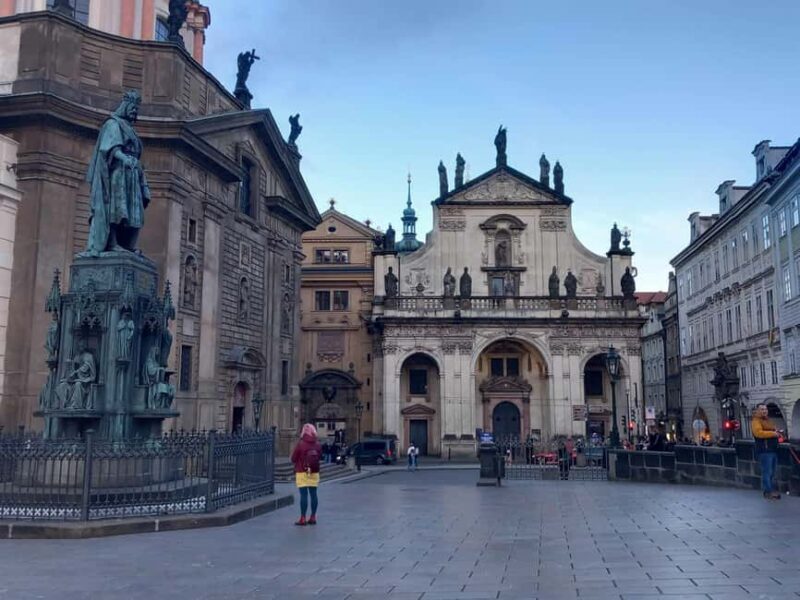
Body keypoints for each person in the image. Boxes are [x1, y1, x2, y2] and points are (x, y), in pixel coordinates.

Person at [291, 423, 322, 525]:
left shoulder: (301, 444)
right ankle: (313, 517)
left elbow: (293, 458)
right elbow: (320, 456)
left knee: (303, 495)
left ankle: (303, 518)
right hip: (314, 471)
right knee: (314, 495)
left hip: (302, 471)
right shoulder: (317, 444)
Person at [752, 404, 782, 500]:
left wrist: (777, 431)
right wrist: (773, 433)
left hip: (772, 449)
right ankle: (768, 492)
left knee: (772, 472)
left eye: (765, 409)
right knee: (767, 472)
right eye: (762, 409)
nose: (764, 411)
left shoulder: (768, 420)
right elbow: (758, 433)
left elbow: (772, 429)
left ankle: (770, 490)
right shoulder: (756, 421)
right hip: (764, 450)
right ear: (757, 411)